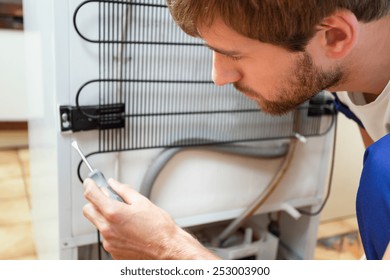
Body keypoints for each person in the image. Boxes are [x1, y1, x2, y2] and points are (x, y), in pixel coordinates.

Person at [82, 0, 390, 260]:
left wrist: (168, 249)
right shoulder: (343, 73)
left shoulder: (384, 172)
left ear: (335, 36)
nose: (218, 76)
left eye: (233, 54)